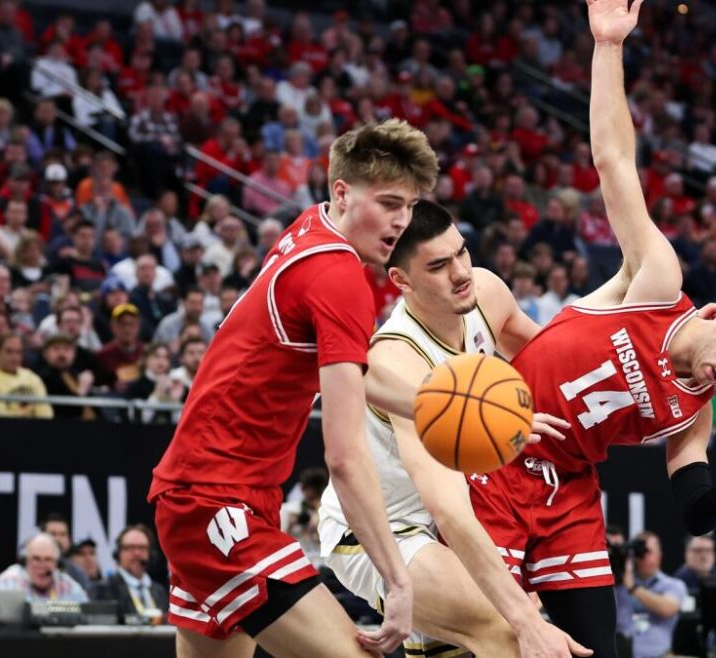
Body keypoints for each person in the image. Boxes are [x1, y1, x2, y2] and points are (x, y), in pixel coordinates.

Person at [468, 4, 716, 655]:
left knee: (594, 646)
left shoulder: (694, 412)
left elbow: (695, 512)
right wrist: (608, 47)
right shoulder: (656, 283)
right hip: (501, 451)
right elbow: (614, 161)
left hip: (570, 490)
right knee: (485, 637)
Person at [148, 118, 439, 657]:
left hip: (219, 493)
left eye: (410, 206)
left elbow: (355, 370)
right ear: (342, 193)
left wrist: (440, 405)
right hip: (214, 499)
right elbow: (345, 458)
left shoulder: (310, 226)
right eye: (389, 203)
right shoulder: (340, 277)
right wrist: (397, 580)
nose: (402, 221)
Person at [319, 200, 588, 657]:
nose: (461, 272)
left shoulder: (486, 291)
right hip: (385, 532)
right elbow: (448, 510)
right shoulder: (399, 361)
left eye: (461, 251)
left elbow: (555, 365)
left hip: (450, 516)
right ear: (401, 280)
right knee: (510, 630)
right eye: (438, 265)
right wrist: (525, 621)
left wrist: (661, 348)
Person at [615, 532, 686, 658]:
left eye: (647, 551)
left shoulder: (673, 585)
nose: (642, 556)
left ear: (659, 555)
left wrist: (633, 588)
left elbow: (667, 609)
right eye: (638, 551)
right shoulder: (620, 584)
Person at [89, 525, 168, 623]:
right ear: (118, 553)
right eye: (130, 547)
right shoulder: (102, 589)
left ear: (151, 553)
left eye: (142, 548)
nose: (137, 553)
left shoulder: (160, 591)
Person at [0, 533, 89, 603]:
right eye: (36, 559)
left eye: (48, 559)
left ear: (56, 564)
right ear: (26, 561)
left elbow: (86, 613)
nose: (42, 565)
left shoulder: (68, 586)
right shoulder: (9, 581)